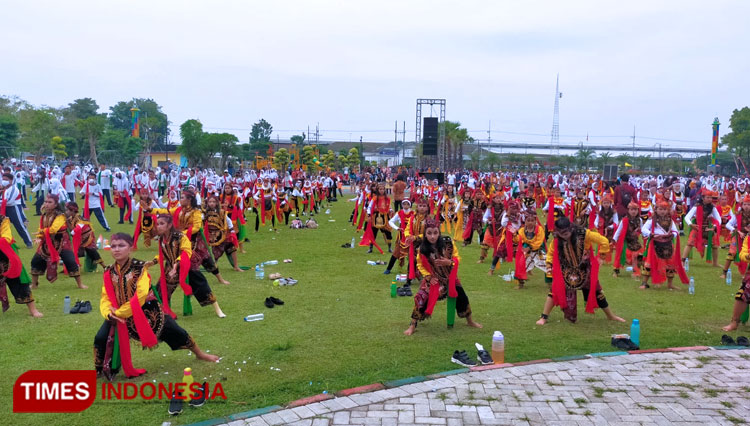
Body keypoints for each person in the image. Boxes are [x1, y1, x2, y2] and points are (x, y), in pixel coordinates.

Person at [94, 233, 219, 380]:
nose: (116, 249)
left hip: (146, 310)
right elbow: (105, 296)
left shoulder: (140, 268)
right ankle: (101, 369)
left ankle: (200, 354)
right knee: (101, 337)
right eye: (113, 246)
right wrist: (108, 312)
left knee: (175, 330)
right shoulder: (109, 271)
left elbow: (140, 295)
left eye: (121, 245)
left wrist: (120, 313)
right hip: (116, 313)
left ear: (130, 249)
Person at [536, 217, 624, 325]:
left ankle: (611, 316)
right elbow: (551, 253)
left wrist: (601, 256)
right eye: (561, 234)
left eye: (566, 233)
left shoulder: (583, 233)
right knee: (555, 290)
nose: (565, 236)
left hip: (584, 269)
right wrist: (549, 264)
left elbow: (603, 241)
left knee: (596, 291)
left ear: (571, 228)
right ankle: (544, 317)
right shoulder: (557, 238)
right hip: (567, 269)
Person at [404, 219, 482, 335]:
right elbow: (420, 265)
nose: (432, 236)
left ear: (439, 233)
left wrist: (449, 262)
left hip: (450, 278)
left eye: (435, 233)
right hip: (433, 278)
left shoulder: (448, 243)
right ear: (425, 234)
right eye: (429, 233)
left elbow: (457, 258)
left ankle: (470, 321)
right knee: (421, 297)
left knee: (462, 297)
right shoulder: (422, 249)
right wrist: (428, 277)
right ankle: (412, 325)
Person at [147, 215, 226, 318]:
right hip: (170, 267)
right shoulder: (162, 238)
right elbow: (163, 254)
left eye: (162, 224)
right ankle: (164, 312)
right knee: (160, 290)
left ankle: (218, 309)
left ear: (169, 225)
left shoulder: (180, 237)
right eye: (157, 224)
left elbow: (186, 251)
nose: (159, 226)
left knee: (202, 287)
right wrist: (153, 262)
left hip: (186, 265)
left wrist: (178, 263)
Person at [30, 195, 87, 289]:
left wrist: (42, 232)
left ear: (56, 204)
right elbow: (41, 227)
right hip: (47, 241)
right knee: (36, 260)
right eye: (46, 202)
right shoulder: (44, 215)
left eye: (50, 202)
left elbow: (54, 229)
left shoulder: (60, 216)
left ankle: (80, 284)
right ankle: (34, 284)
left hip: (61, 240)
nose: (47, 204)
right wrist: (39, 237)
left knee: (70, 261)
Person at [0, 211, 42, 317]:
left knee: (19, 280)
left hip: (6, 254)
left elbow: (6, 238)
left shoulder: (3, 220)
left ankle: (33, 310)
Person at [640, 200, 687, 290]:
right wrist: (651, 234)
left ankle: (670, 284)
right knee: (649, 264)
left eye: (665, 209)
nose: (662, 211)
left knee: (670, 264)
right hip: (655, 244)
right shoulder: (652, 219)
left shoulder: (670, 220)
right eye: (660, 209)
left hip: (668, 244)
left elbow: (675, 231)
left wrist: (672, 234)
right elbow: (644, 229)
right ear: (656, 209)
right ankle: (644, 283)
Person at [682, 189, 721, 267]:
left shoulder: (712, 207)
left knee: (715, 245)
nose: (710, 199)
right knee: (690, 244)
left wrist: (714, 226)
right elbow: (687, 217)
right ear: (703, 198)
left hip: (708, 228)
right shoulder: (697, 206)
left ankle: (715, 263)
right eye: (708, 197)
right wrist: (691, 225)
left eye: (711, 197)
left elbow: (718, 219)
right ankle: (682, 261)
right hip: (697, 227)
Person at [204, 195, 242, 272]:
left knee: (232, 249)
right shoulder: (204, 213)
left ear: (217, 203)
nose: (212, 203)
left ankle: (236, 266)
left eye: (213, 202)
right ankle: (213, 267)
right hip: (212, 236)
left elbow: (228, 220)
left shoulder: (221, 212)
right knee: (215, 253)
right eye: (210, 202)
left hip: (223, 233)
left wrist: (232, 230)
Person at [65, 202, 105, 273]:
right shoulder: (70, 218)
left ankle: (104, 266)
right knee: (70, 252)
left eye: (67, 210)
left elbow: (77, 230)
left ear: (73, 210)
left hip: (87, 238)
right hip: (79, 238)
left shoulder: (80, 219)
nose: (66, 212)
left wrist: (70, 232)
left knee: (91, 251)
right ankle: (70, 267)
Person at [1, 172, 33, 247]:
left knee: (19, 226)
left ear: (11, 181)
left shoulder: (13, 189)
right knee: (2, 225)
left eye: (6, 179)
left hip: (14, 208)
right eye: (3, 179)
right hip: (5, 208)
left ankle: (28, 242)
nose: (3, 181)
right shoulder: (5, 189)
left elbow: (9, 201)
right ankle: (4, 242)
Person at [612, 202, 644, 279]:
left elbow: (642, 230)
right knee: (620, 257)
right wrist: (614, 239)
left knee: (638, 256)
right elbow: (618, 231)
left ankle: (636, 271)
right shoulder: (625, 220)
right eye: (632, 209)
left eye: (635, 210)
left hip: (635, 241)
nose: (634, 212)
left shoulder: (639, 220)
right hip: (625, 241)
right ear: (628, 210)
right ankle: (616, 271)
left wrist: (645, 237)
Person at [722, 195, 750, 279]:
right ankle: (724, 273)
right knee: (731, 253)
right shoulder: (737, 215)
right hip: (738, 236)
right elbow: (728, 225)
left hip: (748, 237)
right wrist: (738, 231)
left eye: (748, 204)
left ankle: (746, 273)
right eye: (745, 204)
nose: (746, 206)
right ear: (742, 205)